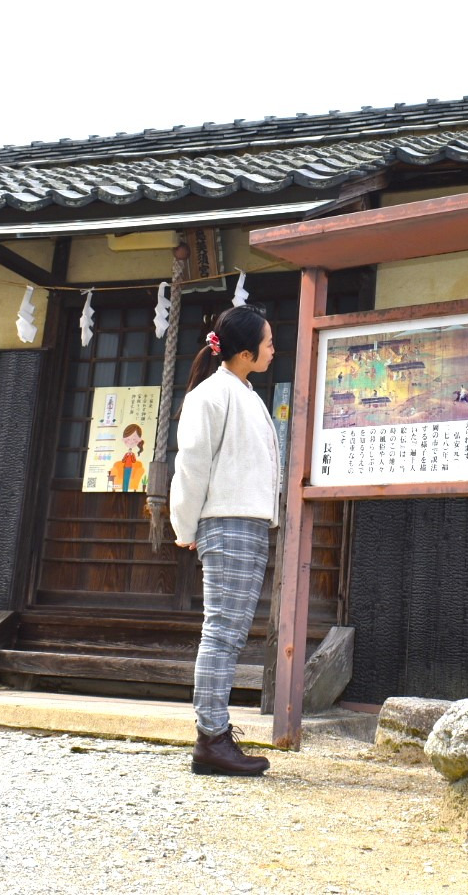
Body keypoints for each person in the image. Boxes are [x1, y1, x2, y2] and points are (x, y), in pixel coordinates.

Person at [169, 304, 280, 776]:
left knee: (228, 634)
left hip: (247, 523)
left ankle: (214, 734)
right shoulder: (212, 395)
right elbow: (191, 465)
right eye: (269, 342)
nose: (274, 349)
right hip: (228, 523)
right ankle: (211, 737)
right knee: (222, 633)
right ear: (245, 350)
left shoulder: (243, 392)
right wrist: (185, 527)